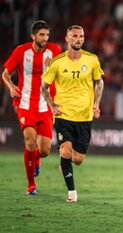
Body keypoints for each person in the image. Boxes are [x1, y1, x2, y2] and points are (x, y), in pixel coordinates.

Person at [40, 25, 104, 202]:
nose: (78, 39)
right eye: (74, 36)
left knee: (78, 160)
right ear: (67, 39)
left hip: (84, 116)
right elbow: (43, 88)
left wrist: (96, 104)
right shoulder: (57, 63)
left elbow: (99, 83)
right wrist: (52, 105)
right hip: (63, 114)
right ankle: (72, 193)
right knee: (66, 151)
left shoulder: (92, 60)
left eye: (81, 36)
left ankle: (64, 162)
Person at [2, 20, 61, 195]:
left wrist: (55, 65)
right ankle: (31, 185)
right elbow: (5, 73)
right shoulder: (21, 51)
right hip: (25, 104)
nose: (45, 38)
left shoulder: (55, 51)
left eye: (47, 35)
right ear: (33, 36)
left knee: (44, 151)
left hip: (45, 106)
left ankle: (37, 160)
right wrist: (12, 87)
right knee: (30, 141)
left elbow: (63, 72)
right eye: (42, 35)